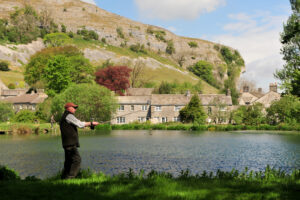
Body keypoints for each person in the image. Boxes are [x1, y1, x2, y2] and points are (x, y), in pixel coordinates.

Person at [59, 102, 99, 179]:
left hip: (66, 143)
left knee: (68, 162)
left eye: (75, 108)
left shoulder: (65, 116)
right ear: (68, 108)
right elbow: (80, 124)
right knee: (77, 160)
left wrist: (89, 125)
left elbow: (77, 124)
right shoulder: (69, 116)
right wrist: (91, 123)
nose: (75, 109)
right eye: (74, 107)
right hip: (70, 143)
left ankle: (64, 178)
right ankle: (71, 177)